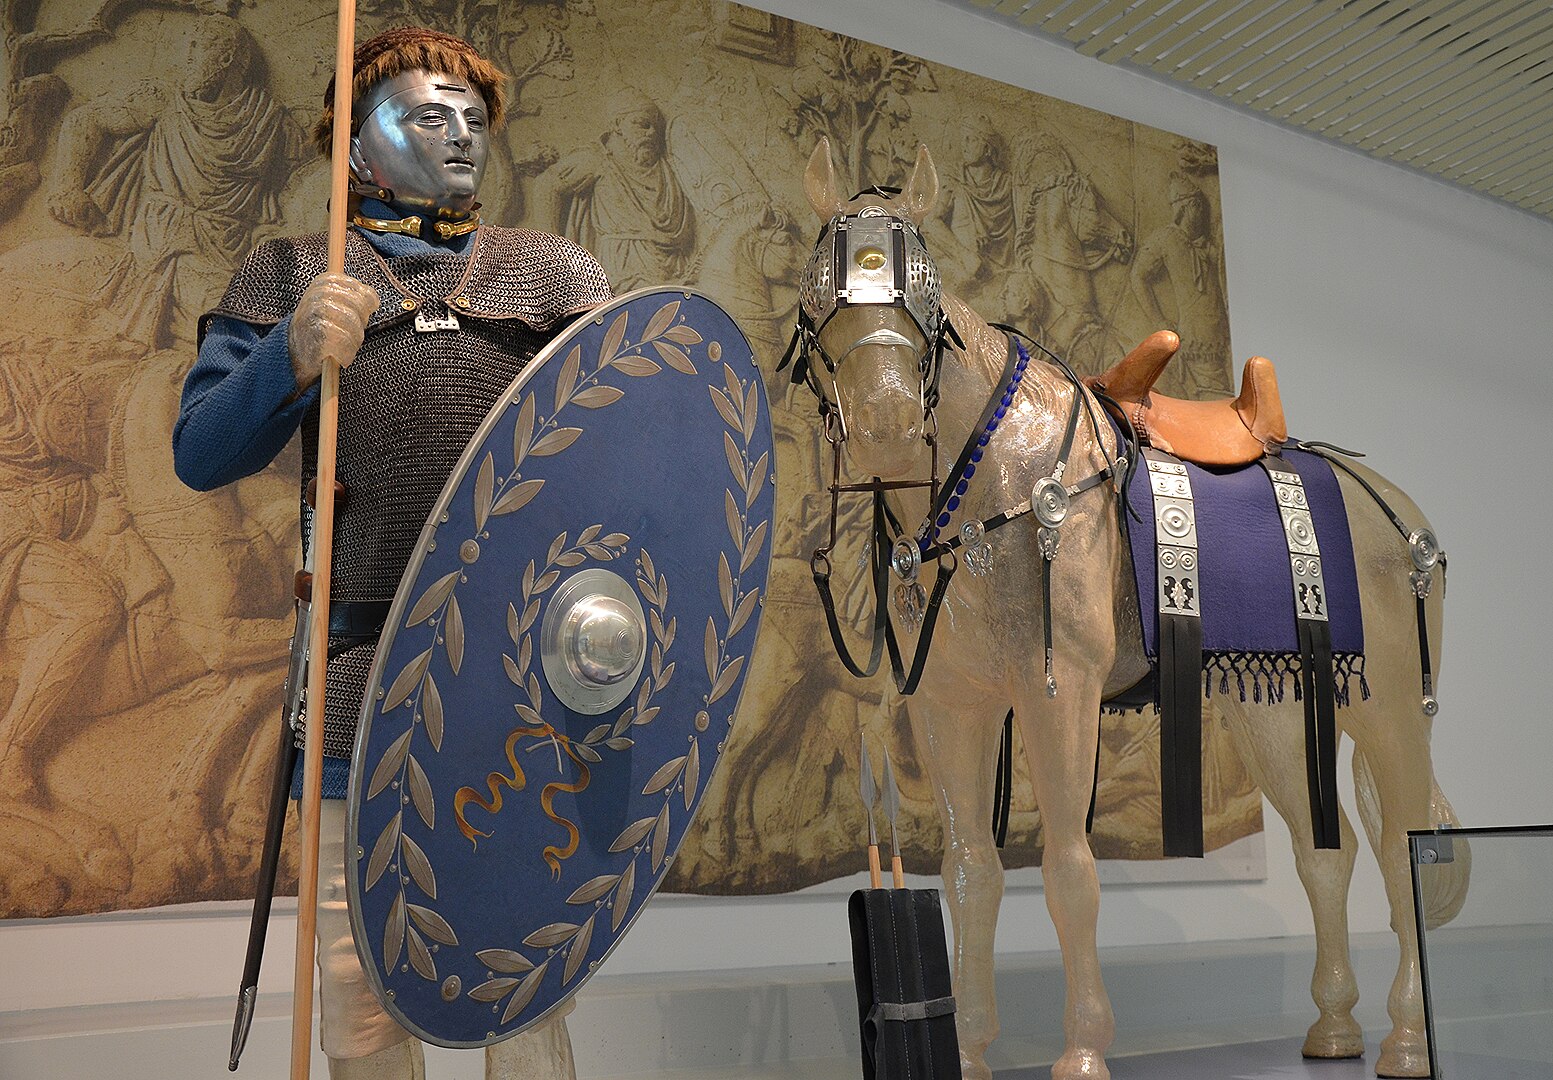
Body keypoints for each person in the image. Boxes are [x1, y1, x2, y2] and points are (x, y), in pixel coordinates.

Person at [172, 26, 612, 1080]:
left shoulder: (553, 274)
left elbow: (633, 448)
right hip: (357, 682)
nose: (461, 136)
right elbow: (199, 452)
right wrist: (288, 351)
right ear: (355, 145)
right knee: (362, 1011)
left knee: (525, 995)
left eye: (473, 120)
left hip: (524, 687)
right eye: (428, 115)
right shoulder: (290, 271)